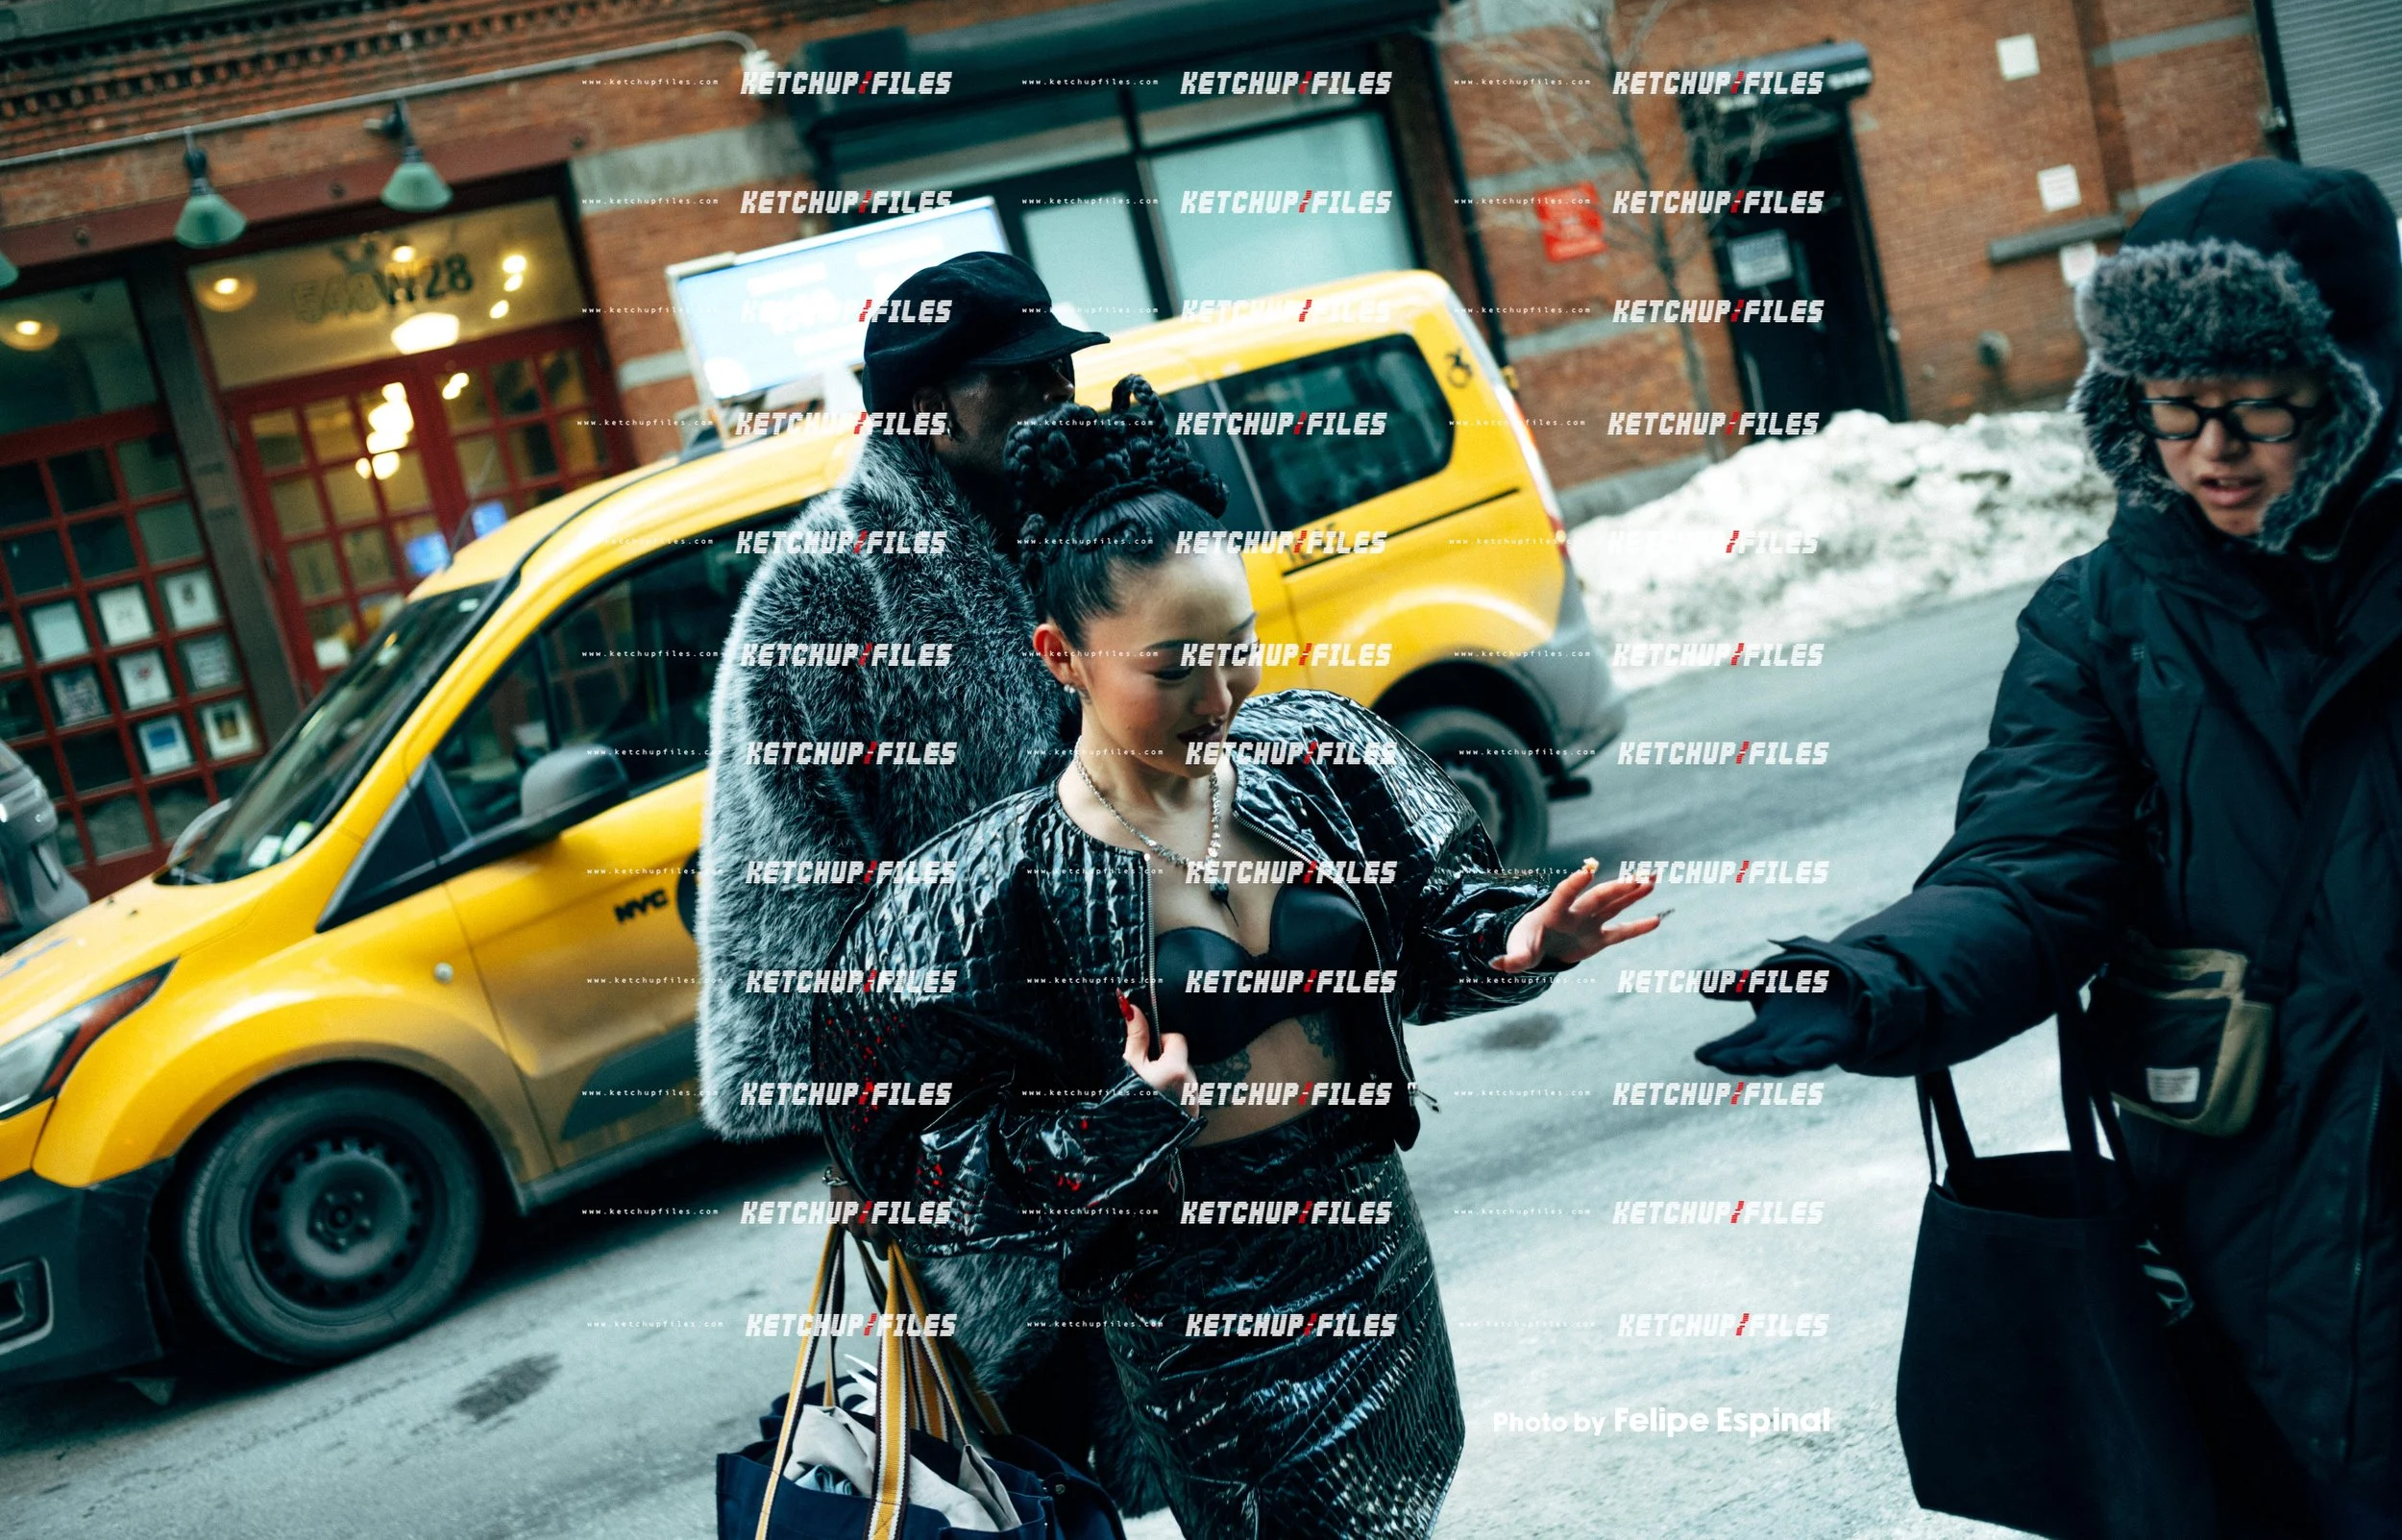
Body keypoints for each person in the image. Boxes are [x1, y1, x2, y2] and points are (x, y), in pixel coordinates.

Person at [807, 377, 1661, 1540]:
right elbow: (917, 1165)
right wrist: (1118, 1119)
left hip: (1371, 1238)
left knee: (1401, 1507)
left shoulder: (1313, 757)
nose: (1220, 695)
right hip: (1200, 1308)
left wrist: (1518, 941)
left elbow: (1436, 922)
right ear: (1062, 655)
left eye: (1239, 647)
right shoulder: (995, 893)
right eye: (1172, 668)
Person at [1693, 159, 2402, 1535]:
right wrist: (1873, 979)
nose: (2214, 448)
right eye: (2174, 407)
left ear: (2355, 382)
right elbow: (2030, 861)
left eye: (2258, 401)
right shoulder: (2103, 625)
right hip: (2258, 1211)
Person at [694, 252, 1166, 1500]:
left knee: (1223, 1435)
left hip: (1164, 1079)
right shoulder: (823, 590)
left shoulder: (1081, 531)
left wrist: (1155, 549)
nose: (1061, 394)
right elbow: (794, 910)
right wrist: (896, 1148)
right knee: (1036, 1470)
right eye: (1022, 378)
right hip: (986, 1135)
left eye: (1064, 365)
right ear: (931, 405)